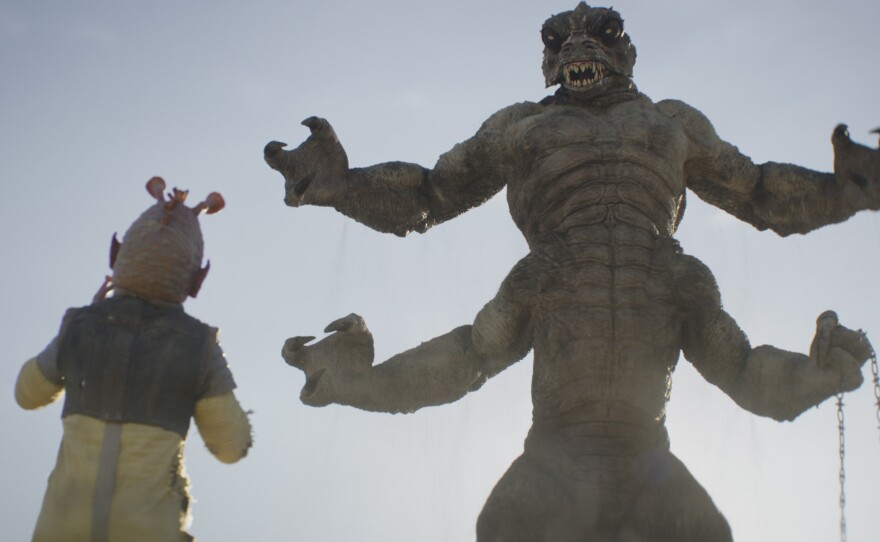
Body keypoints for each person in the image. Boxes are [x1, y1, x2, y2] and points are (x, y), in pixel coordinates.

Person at [15, 177, 252, 542]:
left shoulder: (79, 326)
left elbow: (26, 394)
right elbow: (231, 447)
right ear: (195, 280)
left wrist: (80, 326)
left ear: (117, 258)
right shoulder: (200, 347)